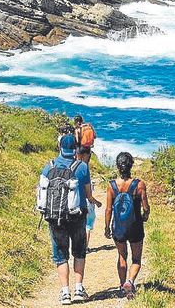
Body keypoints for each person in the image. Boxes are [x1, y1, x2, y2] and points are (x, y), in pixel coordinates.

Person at [40, 125, 94, 305]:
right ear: (75, 149)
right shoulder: (82, 167)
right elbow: (87, 194)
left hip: (55, 216)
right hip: (77, 215)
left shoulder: (49, 166)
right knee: (79, 251)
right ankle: (79, 289)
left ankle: (65, 293)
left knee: (60, 255)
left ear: (60, 148)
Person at [104, 152, 150, 299]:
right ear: (131, 165)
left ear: (117, 166)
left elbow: (108, 209)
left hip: (118, 227)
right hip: (135, 226)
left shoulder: (111, 186)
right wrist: (145, 217)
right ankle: (130, 282)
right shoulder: (139, 184)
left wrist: (106, 227)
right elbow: (146, 207)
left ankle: (122, 285)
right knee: (136, 259)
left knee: (122, 256)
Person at [76, 146, 102, 248]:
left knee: (79, 226)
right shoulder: (84, 168)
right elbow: (89, 196)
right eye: (89, 155)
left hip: (76, 202)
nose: (90, 156)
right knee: (87, 226)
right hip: (86, 203)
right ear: (84, 155)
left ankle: (78, 246)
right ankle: (85, 247)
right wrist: (97, 202)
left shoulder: (73, 166)